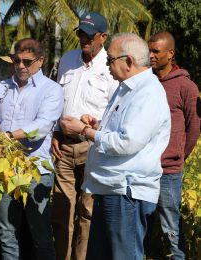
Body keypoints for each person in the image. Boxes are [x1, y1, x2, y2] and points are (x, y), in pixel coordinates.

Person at [59, 32, 171, 259]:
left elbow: (126, 143)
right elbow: (121, 131)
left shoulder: (148, 92)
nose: (107, 65)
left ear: (128, 62)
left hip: (125, 192)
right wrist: (97, 126)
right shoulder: (126, 88)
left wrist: (84, 131)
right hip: (111, 188)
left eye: (110, 60)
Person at [0, 38, 63, 260]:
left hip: (36, 170)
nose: (21, 66)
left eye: (27, 61)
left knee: (40, 233)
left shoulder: (51, 90)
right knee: (6, 231)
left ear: (40, 61)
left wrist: (9, 136)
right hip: (5, 170)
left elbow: (42, 126)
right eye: (16, 61)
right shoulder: (2, 87)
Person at [51, 11, 118, 260]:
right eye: (81, 34)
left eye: (89, 36)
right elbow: (57, 101)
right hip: (64, 148)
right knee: (61, 212)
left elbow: (114, 111)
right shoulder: (68, 60)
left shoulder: (110, 66)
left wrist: (92, 131)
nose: (84, 40)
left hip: (92, 146)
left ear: (103, 37)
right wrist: (55, 131)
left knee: (87, 213)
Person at [147, 31, 200, 259]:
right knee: (143, 225)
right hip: (143, 169)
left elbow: (194, 127)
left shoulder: (185, 87)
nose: (150, 56)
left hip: (169, 171)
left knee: (171, 228)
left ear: (170, 54)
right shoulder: (145, 81)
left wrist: (178, 154)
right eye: (149, 50)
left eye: (155, 52)